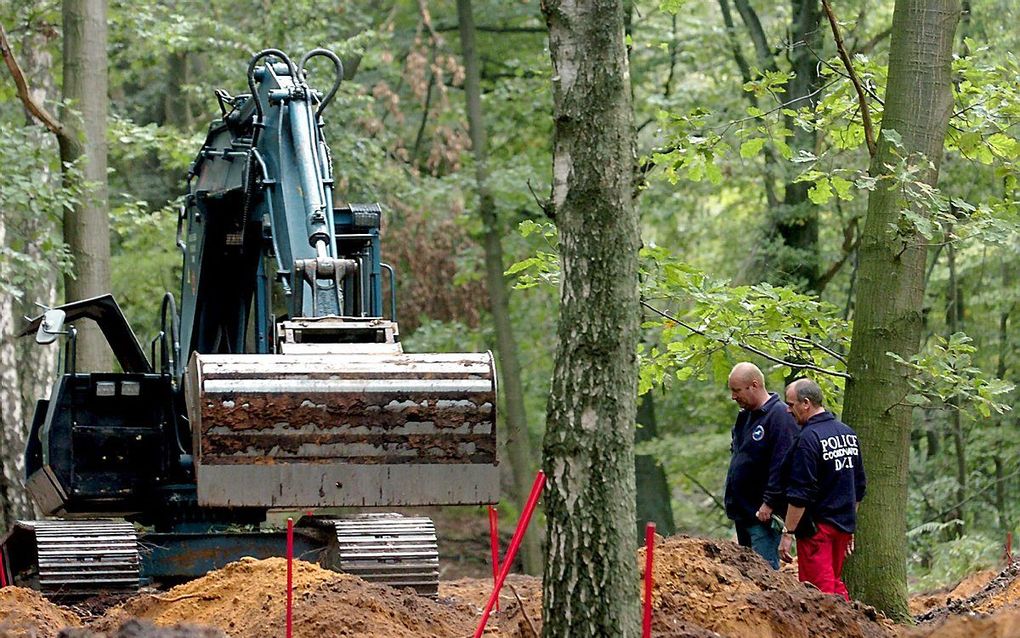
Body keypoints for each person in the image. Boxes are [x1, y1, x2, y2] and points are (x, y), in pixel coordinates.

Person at [779, 378, 866, 602]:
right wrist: (849, 524)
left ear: (805, 403)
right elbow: (859, 486)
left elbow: (800, 493)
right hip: (842, 527)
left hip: (818, 530)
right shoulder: (847, 433)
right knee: (834, 583)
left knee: (819, 593)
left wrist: (788, 533)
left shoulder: (808, 439)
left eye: (790, 405)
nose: (788, 411)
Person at [724, 362, 798, 569]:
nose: (733, 396)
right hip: (743, 511)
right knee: (747, 572)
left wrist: (770, 501)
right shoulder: (745, 416)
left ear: (754, 385)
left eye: (737, 390)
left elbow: (782, 465)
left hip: (762, 515)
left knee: (763, 572)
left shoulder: (780, 416)